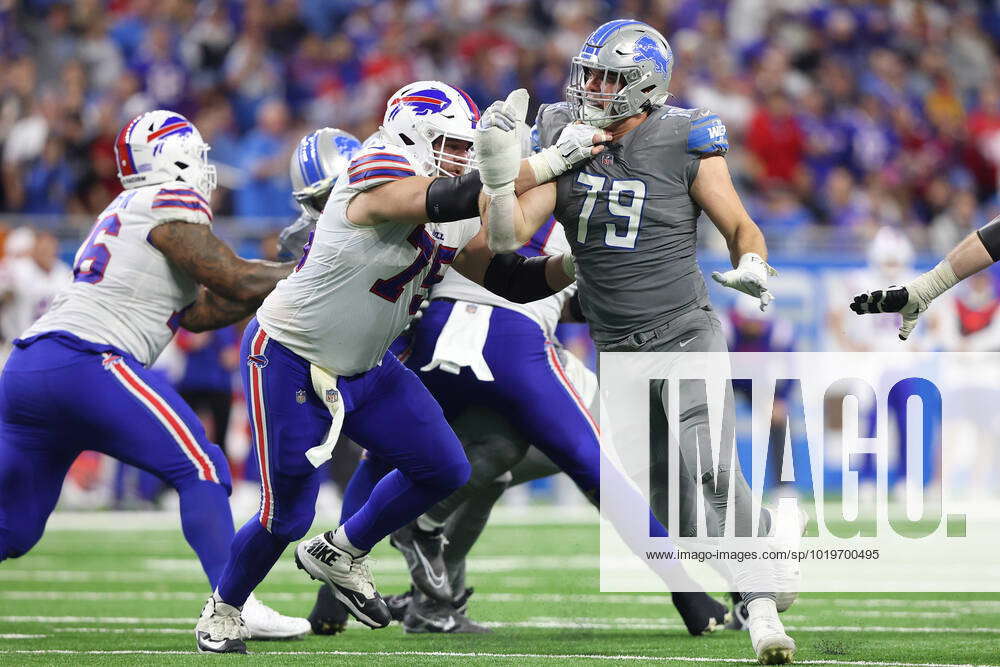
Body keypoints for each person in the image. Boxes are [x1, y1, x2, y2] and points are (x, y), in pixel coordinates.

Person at [194, 82, 604, 653]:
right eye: (453, 144)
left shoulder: (453, 194)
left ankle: (341, 550)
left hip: (368, 366)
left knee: (444, 467)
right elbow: (448, 198)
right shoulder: (376, 164)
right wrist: (548, 160)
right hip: (291, 355)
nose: (464, 156)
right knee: (285, 516)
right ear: (411, 132)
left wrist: (571, 268)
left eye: (469, 147)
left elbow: (504, 274)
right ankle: (225, 608)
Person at [497, 20, 800, 664]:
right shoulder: (561, 132)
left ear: (648, 86)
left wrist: (751, 263)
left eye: (609, 78)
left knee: (710, 461)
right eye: (590, 75)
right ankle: (766, 549)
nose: (594, 89)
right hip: (618, 346)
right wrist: (507, 172)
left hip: (684, 330)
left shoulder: (683, 135)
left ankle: (761, 608)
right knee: (667, 501)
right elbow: (511, 231)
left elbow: (741, 225)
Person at [348, 124, 729, 636]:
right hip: (510, 342)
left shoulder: (487, 194)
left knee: (477, 459)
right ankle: (689, 595)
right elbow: (551, 283)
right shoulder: (576, 192)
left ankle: (397, 592)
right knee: (596, 465)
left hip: (437, 334)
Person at [0, 111, 309, 641]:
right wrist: (312, 270)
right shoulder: (170, 198)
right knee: (204, 466)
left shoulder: (124, 210)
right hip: (87, 361)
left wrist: (278, 285)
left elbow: (196, 312)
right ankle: (233, 604)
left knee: (15, 528)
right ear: (173, 156)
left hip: (30, 368)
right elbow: (232, 278)